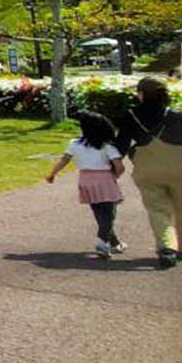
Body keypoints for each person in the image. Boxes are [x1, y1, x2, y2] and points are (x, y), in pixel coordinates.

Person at [118, 77, 182, 270]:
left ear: (142, 94)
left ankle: (167, 247)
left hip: (147, 170)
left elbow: (121, 146)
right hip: (180, 170)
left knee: (157, 209)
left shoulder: (131, 116)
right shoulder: (180, 117)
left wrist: (113, 165)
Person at [45, 111, 127, 259]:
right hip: (104, 180)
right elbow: (119, 167)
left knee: (99, 213)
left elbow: (64, 160)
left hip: (85, 179)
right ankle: (102, 242)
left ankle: (114, 243)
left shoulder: (74, 144)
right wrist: (115, 175)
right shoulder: (107, 146)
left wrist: (52, 174)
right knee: (109, 214)